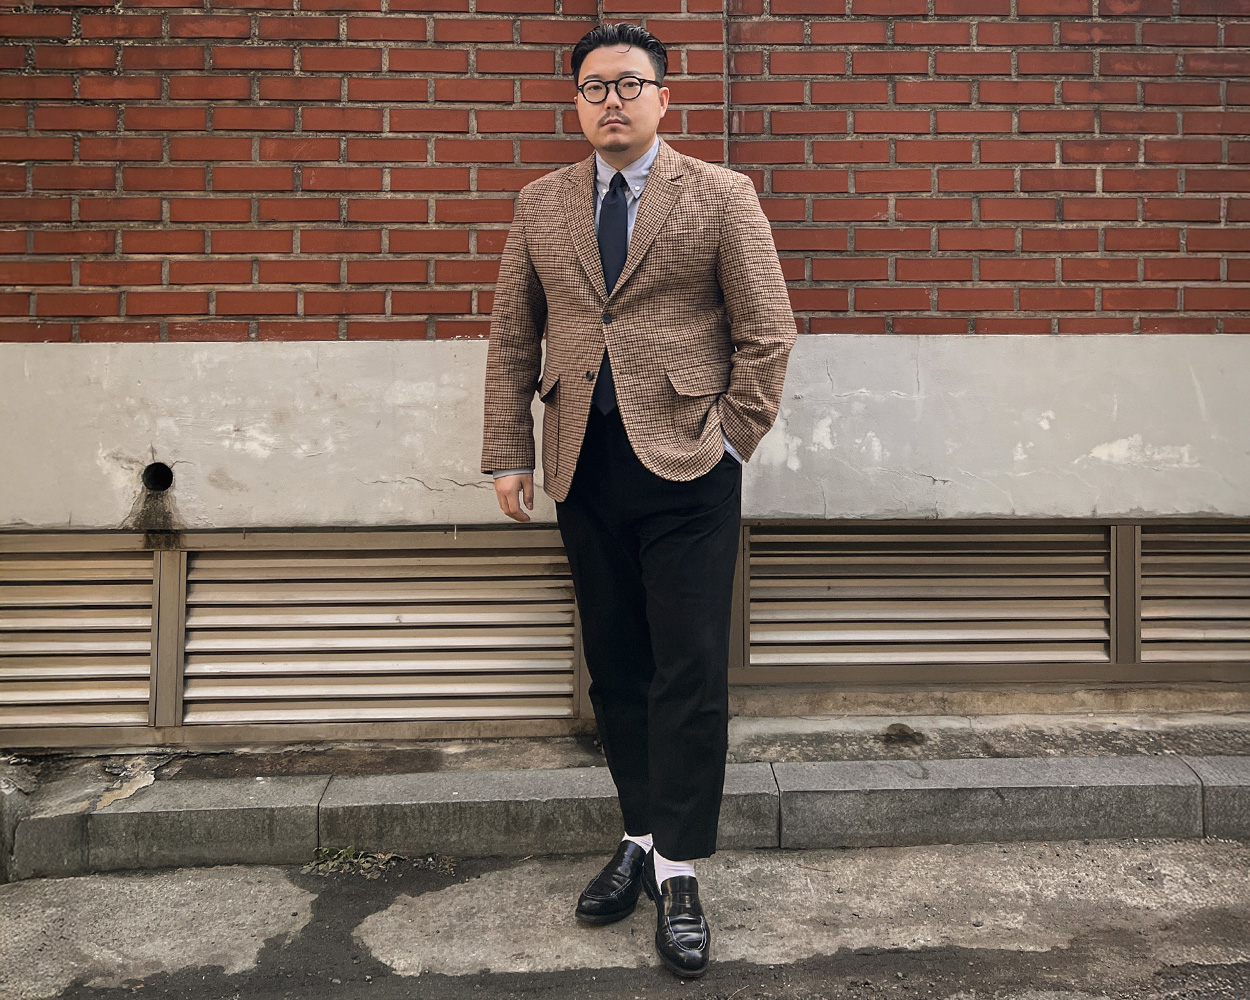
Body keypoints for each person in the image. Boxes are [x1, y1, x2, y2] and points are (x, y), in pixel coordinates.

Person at [480, 21, 795, 979]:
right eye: (593, 87)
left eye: (628, 84)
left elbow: (768, 332)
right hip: (584, 464)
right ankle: (638, 836)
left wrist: (731, 435)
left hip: (691, 466)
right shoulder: (540, 205)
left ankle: (682, 870)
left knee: (688, 671)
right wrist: (508, 453)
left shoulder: (721, 195)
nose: (610, 100)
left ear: (664, 96)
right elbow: (511, 339)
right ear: (574, 103)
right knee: (615, 666)